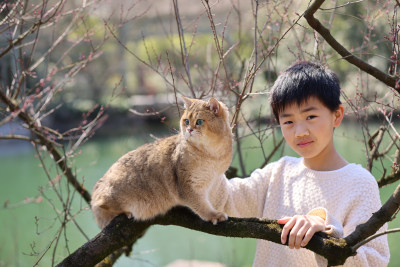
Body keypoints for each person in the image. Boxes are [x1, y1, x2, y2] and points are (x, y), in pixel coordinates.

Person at [209, 61, 390, 266]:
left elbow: (373, 261)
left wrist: (326, 228)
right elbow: (223, 199)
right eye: (288, 122)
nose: (300, 132)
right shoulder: (278, 173)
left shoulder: (360, 183)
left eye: (310, 116)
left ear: (337, 115)